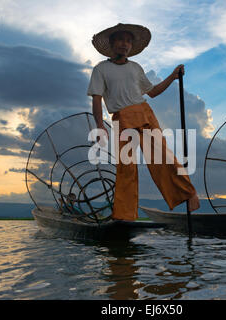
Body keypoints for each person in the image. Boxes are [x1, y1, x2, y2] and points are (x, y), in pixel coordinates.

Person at [87, 23, 200, 221]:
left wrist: (172, 77)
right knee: (126, 168)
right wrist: (98, 125)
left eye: (128, 41)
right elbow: (96, 99)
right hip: (121, 118)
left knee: (161, 156)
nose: (125, 44)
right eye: (121, 40)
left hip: (144, 113)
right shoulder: (101, 69)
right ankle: (124, 215)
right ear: (112, 43)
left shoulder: (135, 68)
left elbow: (153, 92)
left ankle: (188, 193)